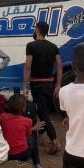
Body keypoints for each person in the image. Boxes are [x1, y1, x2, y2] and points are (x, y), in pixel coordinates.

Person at [22, 21, 62, 155]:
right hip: (50, 84)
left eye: (35, 29)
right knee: (43, 111)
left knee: (43, 114)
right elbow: (60, 66)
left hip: (37, 84)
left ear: (38, 30)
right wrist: (58, 85)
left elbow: (28, 67)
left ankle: (55, 141)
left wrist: (25, 86)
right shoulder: (53, 46)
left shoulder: (31, 46)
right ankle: (41, 137)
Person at [0, 93, 45, 168]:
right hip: (23, 154)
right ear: (24, 108)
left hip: (6, 154)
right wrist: (33, 128)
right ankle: (37, 166)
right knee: (33, 135)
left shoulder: (3, 117)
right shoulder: (28, 121)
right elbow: (27, 134)